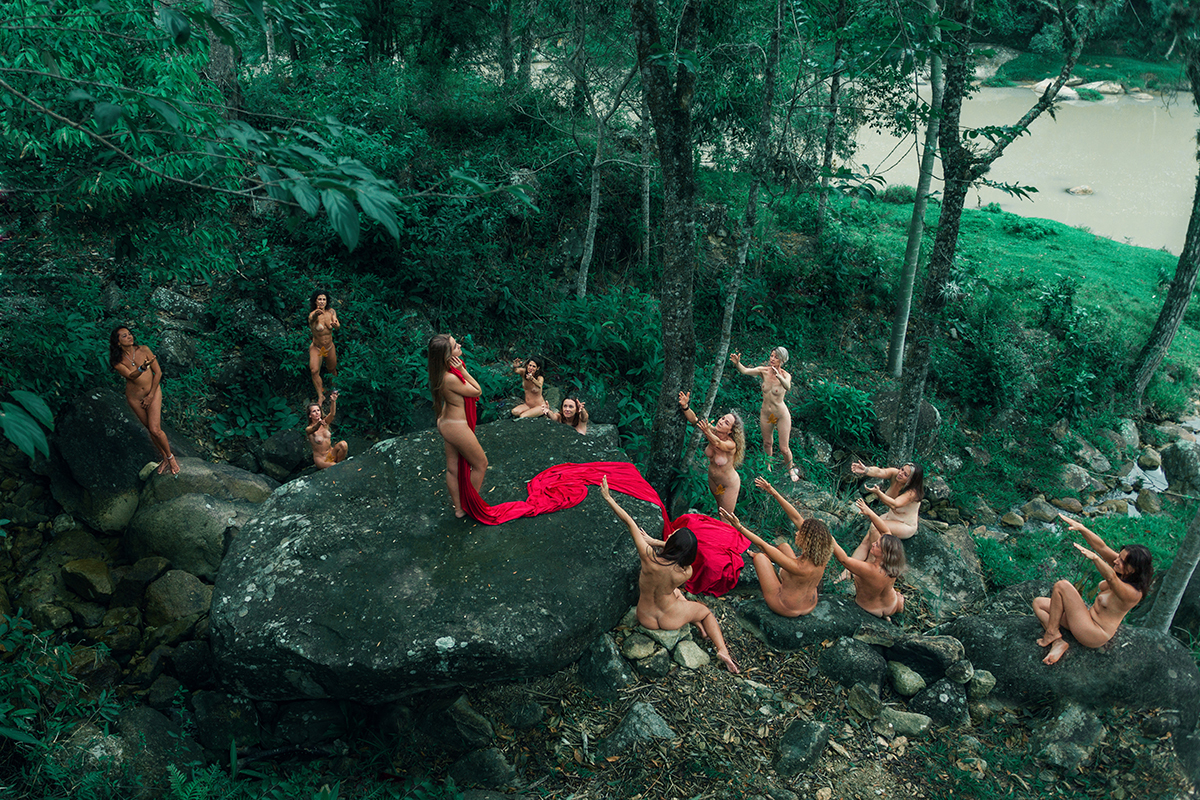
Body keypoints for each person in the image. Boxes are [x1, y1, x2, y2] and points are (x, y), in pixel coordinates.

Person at [600, 475, 739, 673]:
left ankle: (697, 623)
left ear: (672, 543)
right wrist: (659, 542)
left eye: (673, 536)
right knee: (704, 611)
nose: (671, 534)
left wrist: (608, 498)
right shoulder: (686, 571)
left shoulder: (648, 557)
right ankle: (722, 650)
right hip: (671, 618)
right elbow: (676, 558)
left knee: (678, 597)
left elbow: (630, 523)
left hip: (646, 616)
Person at [1033, 514, 1153, 666]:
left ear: (1134, 569)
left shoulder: (1133, 593)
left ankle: (1050, 634)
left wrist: (1096, 559)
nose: (1116, 560)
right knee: (1039, 604)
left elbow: (1111, 578)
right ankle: (1057, 641)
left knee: (1062, 586)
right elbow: (1101, 547)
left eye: (1122, 561)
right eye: (1119, 556)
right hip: (1085, 619)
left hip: (1094, 633)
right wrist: (1082, 528)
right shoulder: (1123, 568)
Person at [719, 477, 832, 616]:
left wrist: (739, 527)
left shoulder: (798, 567)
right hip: (810, 604)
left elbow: (763, 546)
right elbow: (796, 518)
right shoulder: (823, 552)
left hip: (786, 607)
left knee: (760, 557)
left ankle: (765, 564)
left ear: (807, 540)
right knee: (784, 546)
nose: (797, 532)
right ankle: (778, 572)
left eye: (800, 533)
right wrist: (773, 492)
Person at [428, 334, 487, 518]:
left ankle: (459, 509)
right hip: (456, 426)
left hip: (446, 422)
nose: (459, 345)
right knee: (481, 464)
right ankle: (471, 505)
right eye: (455, 346)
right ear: (448, 357)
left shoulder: (440, 373)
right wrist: (464, 371)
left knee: (453, 468)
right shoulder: (451, 378)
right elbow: (477, 391)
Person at [109, 325, 178, 475]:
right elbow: (130, 376)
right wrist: (141, 368)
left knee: (155, 429)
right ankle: (164, 458)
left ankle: (171, 457)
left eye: (129, 334)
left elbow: (158, 373)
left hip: (152, 392)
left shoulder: (144, 350)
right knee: (150, 430)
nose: (129, 336)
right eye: (124, 336)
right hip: (135, 398)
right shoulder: (117, 361)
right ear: (118, 343)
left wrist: (151, 395)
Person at [730, 347, 798, 481]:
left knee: (784, 448)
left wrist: (779, 376)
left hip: (781, 415)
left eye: (776, 357)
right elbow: (745, 371)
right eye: (771, 356)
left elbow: (788, 386)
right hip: (766, 413)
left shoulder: (785, 375)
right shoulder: (764, 371)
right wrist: (738, 363)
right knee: (767, 443)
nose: (772, 359)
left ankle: (790, 470)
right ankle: (768, 466)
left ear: (782, 360)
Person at [678, 391, 746, 514]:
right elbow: (695, 420)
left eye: (726, 423)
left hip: (728, 485)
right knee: (719, 510)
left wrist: (707, 431)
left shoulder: (731, 445)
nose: (721, 421)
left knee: (726, 517)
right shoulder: (712, 431)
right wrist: (685, 406)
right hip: (713, 480)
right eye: (723, 418)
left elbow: (719, 444)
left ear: (731, 431)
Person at [847, 460, 924, 560]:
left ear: (911, 480)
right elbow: (880, 472)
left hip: (905, 525)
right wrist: (866, 470)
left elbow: (894, 504)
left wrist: (878, 493)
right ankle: (848, 570)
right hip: (891, 516)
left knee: (875, 526)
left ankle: (870, 562)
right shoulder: (895, 474)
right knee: (866, 541)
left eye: (905, 475)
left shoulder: (912, 493)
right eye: (902, 469)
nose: (900, 473)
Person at [830, 525, 906, 620]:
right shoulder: (893, 565)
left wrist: (830, 538)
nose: (873, 544)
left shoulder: (869, 569)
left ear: (884, 554)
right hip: (892, 605)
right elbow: (885, 530)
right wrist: (868, 511)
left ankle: (886, 614)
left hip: (870, 609)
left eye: (877, 545)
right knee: (892, 593)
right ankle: (894, 610)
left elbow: (844, 560)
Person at [307, 289, 340, 406]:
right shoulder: (312, 314)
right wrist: (316, 313)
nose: (322, 301)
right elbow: (312, 319)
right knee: (314, 370)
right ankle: (320, 395)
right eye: (319, 299)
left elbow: (337, 326)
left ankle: (334, 389)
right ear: (315, 301)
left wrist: (336, 325)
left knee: (332, 369)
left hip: (329, 347)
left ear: (327, 301)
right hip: (317, 348)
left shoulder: (331, 312)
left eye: (324, 299)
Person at [306, 390, 348, 469]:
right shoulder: (309, 429)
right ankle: (337, 467)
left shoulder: (325, 423)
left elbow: (332, 414)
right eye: (314, 411)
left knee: (343, 444)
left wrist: (333, 401)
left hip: (330, 455)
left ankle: (339, 465)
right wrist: (319, 423)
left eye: (318, 410)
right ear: (310, 415)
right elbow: (314, 428)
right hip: (321, 459)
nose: (317, 413)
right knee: (336, 467)